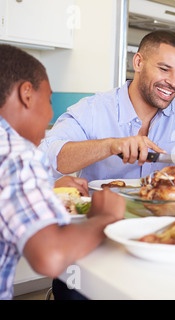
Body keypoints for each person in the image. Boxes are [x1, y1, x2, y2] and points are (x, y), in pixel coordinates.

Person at [0, 44, 125, 300]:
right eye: (48, 100)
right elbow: (50, 257)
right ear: (26, 94)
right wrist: (104, 217)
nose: (51, 113)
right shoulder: (17, 152)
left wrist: (45, 190)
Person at [39, 30, 175, 182]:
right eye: (164, 69)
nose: (173, 83)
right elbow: (45, 158)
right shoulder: (94, 110)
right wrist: (110, 146)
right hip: (104, 218)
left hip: (165, 217)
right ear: (138, 63)